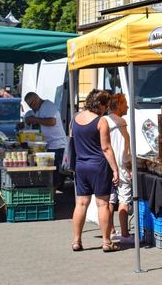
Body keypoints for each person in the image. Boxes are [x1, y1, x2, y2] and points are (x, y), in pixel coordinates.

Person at [71, 89, 120, 253]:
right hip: (98, 166)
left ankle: (76, 241)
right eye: (106, 106)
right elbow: (106, 148)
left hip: (81, 166)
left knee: (81, 204)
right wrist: (115, 169)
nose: (106, 109)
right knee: (103, 204)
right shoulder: (101, 121)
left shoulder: (75, 119)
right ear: (101, 104)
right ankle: (106, 242)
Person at [105, 93, 134, 244]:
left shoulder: (104, 121)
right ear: (118, 105)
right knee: (124, 198)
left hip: (108, 164)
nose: (127, 106)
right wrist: (129, 165)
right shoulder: (120, 122)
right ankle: (125, 233)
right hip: (120, 165)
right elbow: (126, 148)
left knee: (110, 199)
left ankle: (110, 230)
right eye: (125, 103)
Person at [24, 92, 67, 189]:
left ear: (37, 99)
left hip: (57, 145)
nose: (31, 108)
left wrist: (35, 119)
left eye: (31, 104)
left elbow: (52, 121)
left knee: (54, 174)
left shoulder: (48, 106)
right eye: (29, 106)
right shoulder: (39, 109)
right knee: (49, 173)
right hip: (48, 145)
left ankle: (53, 196)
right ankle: (51, 193)